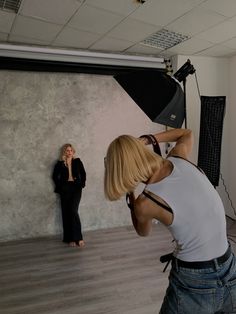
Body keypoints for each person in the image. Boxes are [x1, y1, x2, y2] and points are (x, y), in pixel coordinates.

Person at [104, 128, 236, 313]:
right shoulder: (178, 157)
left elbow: (143, 232)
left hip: (194, 280)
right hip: (229, 265)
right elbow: (186, 133)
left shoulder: (146, 202)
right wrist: (146, 140)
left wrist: (130, 193)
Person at [52, 143, 86, 248]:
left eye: (71, 150)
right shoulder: (60, 163)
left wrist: (82, 184)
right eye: (67, 150)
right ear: (64, 152)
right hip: (65, 189)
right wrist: (60, 186)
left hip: (76, 188)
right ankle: (69, 238)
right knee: (66, 213)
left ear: (73, 152)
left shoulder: (78, 161)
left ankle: (79, 237)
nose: (69, 152)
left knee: (73, 210)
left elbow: (83, 173)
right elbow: (54, 176)